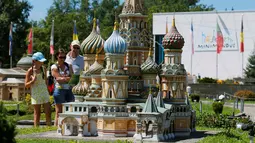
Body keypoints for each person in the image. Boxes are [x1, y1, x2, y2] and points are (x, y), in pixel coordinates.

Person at [25, 52, 51, 127]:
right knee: (37, 112)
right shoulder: (30, 71)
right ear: (34, 61)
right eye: (40, 61)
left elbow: (45, 81)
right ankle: (36, 128)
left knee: (48, 111)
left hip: (44, 91)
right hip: (36, 92)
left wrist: (47, 90)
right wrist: (32, 81)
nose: (42, 62)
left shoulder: (44, 69)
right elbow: (26, 85)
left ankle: (48, 127)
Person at [51, 48, 74, 126]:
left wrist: (63, 78)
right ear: (57, 56)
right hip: (59, 90)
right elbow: (58, 79)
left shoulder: (68, 65)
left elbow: (72, 78)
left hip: (69, 90)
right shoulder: (54, 66)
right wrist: (67, 78)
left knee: (69, 110)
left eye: (64, 57)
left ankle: (66, 126)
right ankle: (56, 126)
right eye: (61, 57)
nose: (62, 59)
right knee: (59, 111)